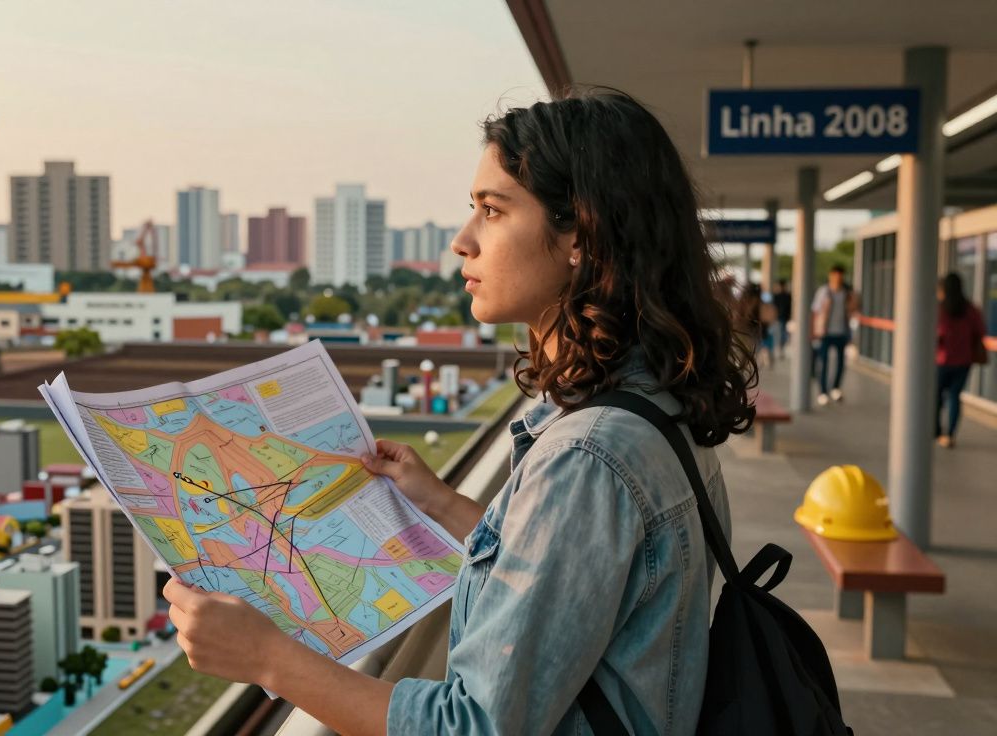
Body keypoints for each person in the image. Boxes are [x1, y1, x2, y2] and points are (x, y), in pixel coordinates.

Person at [162, 90, 757, 735]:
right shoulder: (650, 409)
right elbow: (583, 577)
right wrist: (441, 502)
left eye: (493, 210)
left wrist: (268, 657)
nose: (461, 241)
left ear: (580, 234)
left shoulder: (590, 456)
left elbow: (472, 727)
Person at [935, 272, 987, 448]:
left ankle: (936, 430)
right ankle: (950, 434)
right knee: (955, 396)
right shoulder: (971, 309)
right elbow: (980, 331)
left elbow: (937, 333)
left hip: (942, 360)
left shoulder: (940, 309)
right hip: (964, 361)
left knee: (936, 395)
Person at [812, 264, 859, 405]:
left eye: (840, 275)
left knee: (841, 363)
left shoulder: (846, 293)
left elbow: (854, 309)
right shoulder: (824, 292)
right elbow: (815, 310)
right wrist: (814, 331)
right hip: (825, 333)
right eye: (836, 275)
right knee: (824, 362)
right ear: (831, 275)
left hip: (842, 332)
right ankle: (823, 392)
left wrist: (852, 297)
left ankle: (836, 388)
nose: (838, 278)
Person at [772, 278, 793, 359]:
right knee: (780, 334)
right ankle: (780, 349)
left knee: (782, 334)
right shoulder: (778, 296)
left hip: (783, 317)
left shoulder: (786, 296)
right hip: (779, 318)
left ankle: (780, 349)